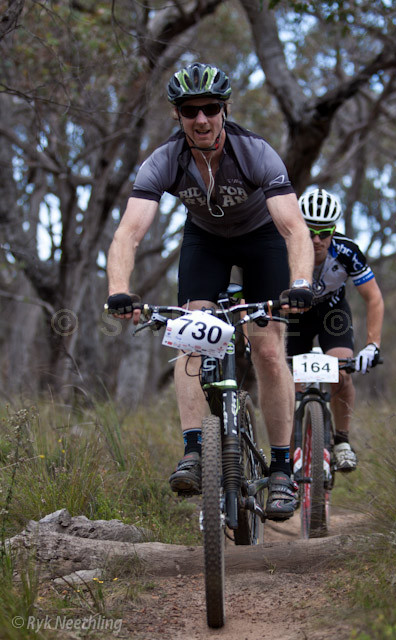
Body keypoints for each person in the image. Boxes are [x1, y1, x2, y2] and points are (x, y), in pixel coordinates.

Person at [105, 62, 314, 521]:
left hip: (261, 241)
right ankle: (194, 451)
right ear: (177, 116)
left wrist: (300, 284)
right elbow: (129, 233)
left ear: (225, 109)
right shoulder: (164, 160)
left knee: (267, 348)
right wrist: (119, 289)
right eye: (190, 110)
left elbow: (294, 227)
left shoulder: (255, 152)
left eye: (211, 109)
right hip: (205, 242)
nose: (201, 119)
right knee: (190, 337)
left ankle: (281, 470)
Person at [287, 188, 384, 472]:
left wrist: (372, 345)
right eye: (310, 231)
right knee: (289, 383)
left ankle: (341, 440)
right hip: (294, 315)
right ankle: (288, 451)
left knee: (341, 371)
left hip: (332, 312)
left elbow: (374, 297)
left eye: (324, 232)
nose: (316, 239)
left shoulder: (347, 251)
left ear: (334, 230)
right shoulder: (283, 245)